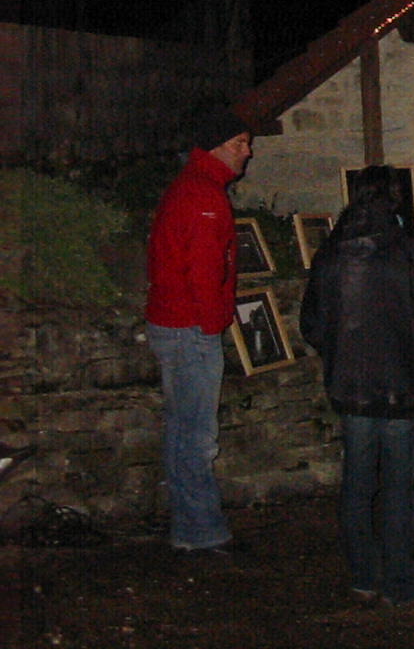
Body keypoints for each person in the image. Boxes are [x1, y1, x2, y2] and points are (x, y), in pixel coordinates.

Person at [300, 165, 414, 607]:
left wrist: (341, 357)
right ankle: (399, 582)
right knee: (396, 487)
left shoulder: (331, 256)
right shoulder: (411, 256)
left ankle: (364, 574)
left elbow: (312, 326)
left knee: (357, 483)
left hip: (352, 390)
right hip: (403, 390)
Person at [145, 105, 252, 554]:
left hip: (173, 323)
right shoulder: (204, 197)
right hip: (189, 328)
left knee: (181, 428)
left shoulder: (191, 188)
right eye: (242, 143)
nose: (248, 152)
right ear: (221, 146)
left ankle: (189, 524)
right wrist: (214, 325)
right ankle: (200, 530)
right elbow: (205, 272)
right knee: (196, 435)